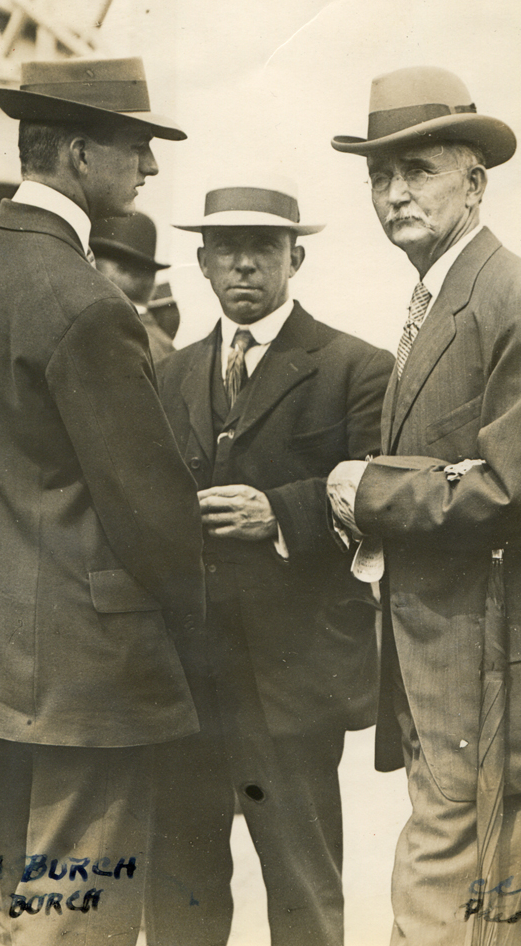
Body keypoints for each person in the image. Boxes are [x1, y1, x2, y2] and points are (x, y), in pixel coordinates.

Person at [0, 57, 206, 946]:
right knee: (76, 924)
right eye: (136, 149)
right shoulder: (88, 303)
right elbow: (150, 510)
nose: (149, 169)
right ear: (80, 154)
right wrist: (198, 609)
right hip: (86, 674)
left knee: (14, 912)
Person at [327, 66, 521, 945]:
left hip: (495, 659)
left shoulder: (516, 300)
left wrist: (364, 489)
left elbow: (511, 491)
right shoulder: (445, 297)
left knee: (438, 910)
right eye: (379, 176)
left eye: (416, 171)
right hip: (448, 658)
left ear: (474, 182)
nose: (393, 194)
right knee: (478, 916)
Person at [146, 174, 394, 946]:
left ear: (296, 260)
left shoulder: (358, 366)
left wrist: (280, 513)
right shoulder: (169, 373)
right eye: (226, 250)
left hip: (293, 678)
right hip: (188, 676)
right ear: (202, 263)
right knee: (181, 884)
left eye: (262, 249)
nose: (244, 266)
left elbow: (380, 492)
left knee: (301, 883)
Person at [90, 211, 176, 364]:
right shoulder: (164, 345)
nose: (88, 267)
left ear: (122, 269)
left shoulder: (108, 340)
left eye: (94, 258)